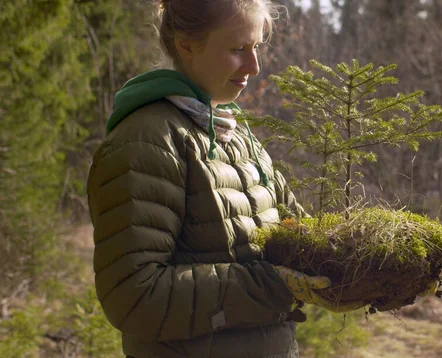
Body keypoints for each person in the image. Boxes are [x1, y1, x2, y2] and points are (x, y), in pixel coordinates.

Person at [86, 1, 364, 357]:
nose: (254, 65)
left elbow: (300, 236)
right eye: (237, 49)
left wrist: (380, 264)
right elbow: (135, 296)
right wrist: (274, 286)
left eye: (256, 47)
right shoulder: (146, 141)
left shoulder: (236, 134)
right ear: (187, 44)